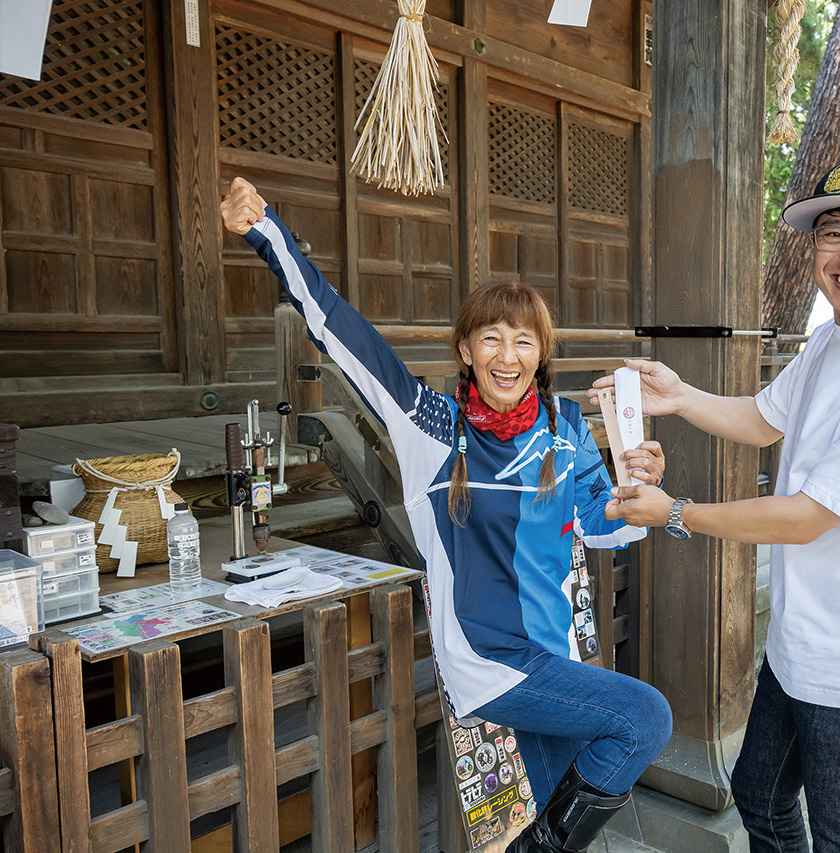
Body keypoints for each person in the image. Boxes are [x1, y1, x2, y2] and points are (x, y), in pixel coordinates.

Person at [220, 177, 672, 853]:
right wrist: (267, 230)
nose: (507, 356)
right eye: (491, 338)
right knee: (645, 716)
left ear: (541, 353)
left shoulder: (565, 425)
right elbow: (340, 327)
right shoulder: (433, 426)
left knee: (559, 816)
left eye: (523, 341)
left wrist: (637, 497)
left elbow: (599, 522)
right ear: (465, 349)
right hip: (490, 660)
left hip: (553, 656)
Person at [600, 156, 840, 852]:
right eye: (831, 234)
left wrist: (674, 512)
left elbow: (807, 516)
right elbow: (766, 417)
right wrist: (679, 396)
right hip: (801, 644)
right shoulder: (836, 335)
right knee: (761, 799)